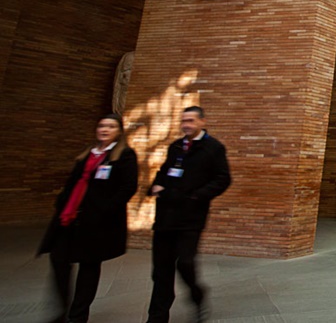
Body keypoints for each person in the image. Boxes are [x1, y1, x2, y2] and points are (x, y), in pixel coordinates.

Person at [38, 114, 138, 323]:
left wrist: (105, 209)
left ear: (119, 132)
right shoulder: (87, 154)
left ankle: (78, 315)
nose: (105, 129)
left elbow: (128, 188)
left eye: (111, 126)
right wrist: (62, 202)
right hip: (70, 218)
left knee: (88, 267)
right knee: (58, 260)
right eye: (102, 125)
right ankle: (63, 308)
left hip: (97, 223)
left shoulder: (125, 155)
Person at [145, 106, 232, 323]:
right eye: (184, 120)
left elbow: (223, 179)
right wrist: (156, 185)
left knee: (185, 263)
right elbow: (164, 172)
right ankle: (157, 317)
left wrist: (197, 196)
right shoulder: (176, 147)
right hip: (165, 217)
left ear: (202, 122)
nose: (186, 124)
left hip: (190, 219)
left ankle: (197, 295)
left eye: (191, 121)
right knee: (161, 271)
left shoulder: (213, 148)